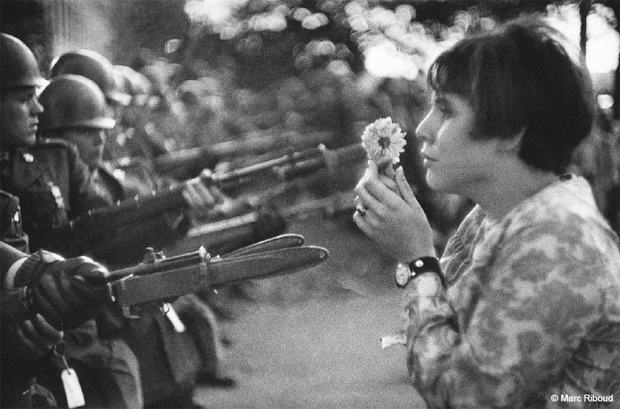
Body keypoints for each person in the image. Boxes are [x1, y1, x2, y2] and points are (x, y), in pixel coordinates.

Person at [353, 17, 620, 408]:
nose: (424, 129)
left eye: (445, 109)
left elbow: (465, 398)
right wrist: (411, 248)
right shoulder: (496, 215)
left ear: (511, 131)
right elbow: (449, 331)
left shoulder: (559, 240)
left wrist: (416, 260)